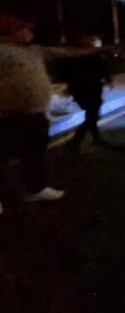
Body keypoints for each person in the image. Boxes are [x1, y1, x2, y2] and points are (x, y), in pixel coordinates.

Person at [0, 15, 65, 213]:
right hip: (9, 115)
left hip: (35, 114)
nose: (31, 33)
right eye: (25, 29)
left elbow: (66, 52)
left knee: (35, 154)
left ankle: (34, 189)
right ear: (13, 32)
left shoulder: (33, 51)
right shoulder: (3, 51)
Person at [64, 36, 113, 151]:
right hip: (89, 89)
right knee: (93, 115)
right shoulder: (90, 57)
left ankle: (95, 138)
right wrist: (108, 80)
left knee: (91, 114)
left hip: (83, 89)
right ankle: (75, 141)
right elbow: (103, 69)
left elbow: (103, 70)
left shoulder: (75, 58)